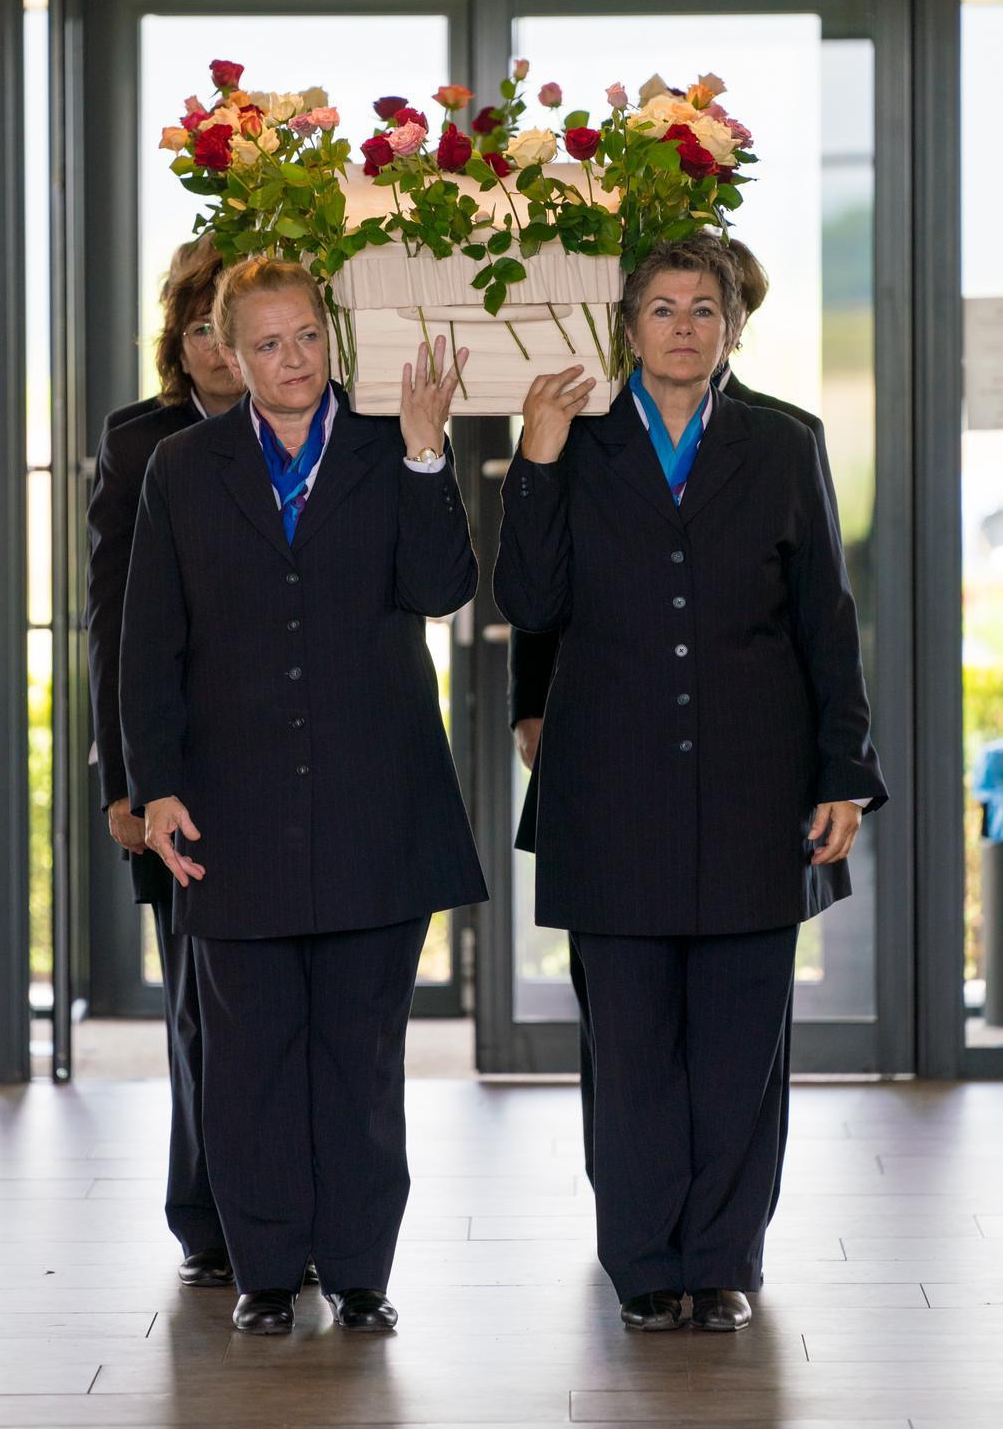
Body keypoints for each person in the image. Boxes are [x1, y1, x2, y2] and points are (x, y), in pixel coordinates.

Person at [493, 233, 886, 1334]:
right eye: (661, 308)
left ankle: (720, 1262)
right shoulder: (576, 441)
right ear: (628, 326)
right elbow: (530, 596)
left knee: (738, 1048)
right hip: (606, 795)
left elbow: (828, 622)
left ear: (734, 327)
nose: (682, 326)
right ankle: (644, 1263)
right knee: (629, 1048)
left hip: (758, 792)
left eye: (702, 308)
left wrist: (845, 772)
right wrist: (535, 456)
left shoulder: (784, 441)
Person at [119, 255, 487, 1336]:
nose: (292, 361)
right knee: (250, 1056)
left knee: (362, 1054)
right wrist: (159, 789)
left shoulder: (391, 446)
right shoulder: (182, 469)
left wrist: (430, 454)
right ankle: (268, 1273)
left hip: (380, 809)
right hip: (231, 815)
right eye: (268, 343)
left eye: (308, 339)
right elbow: (149, 644)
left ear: (333, 340)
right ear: (232, 354)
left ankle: (362, 1269)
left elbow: (443, 590)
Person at [86, 234, 243, 1288]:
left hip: (288, 761)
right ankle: (212, 1221)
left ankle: (288, 1215)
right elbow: (113, 622)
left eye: (233, 325)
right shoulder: (142, 443)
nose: (222, 350)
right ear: (178, 345)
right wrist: (125, 784)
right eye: (200, 328)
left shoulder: (333, 438)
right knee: (199, 1002)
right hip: (171, 763)